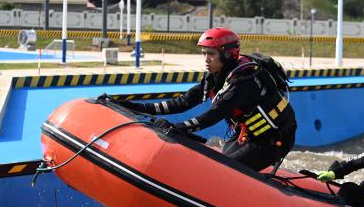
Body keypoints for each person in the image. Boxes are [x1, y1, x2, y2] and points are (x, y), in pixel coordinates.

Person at [116, 27, 297, 171]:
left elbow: (213, 116)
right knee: (220, 163)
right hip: (248, 135)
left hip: (272, 139)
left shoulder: (243, 82)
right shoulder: (216, 77)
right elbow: (183, 102)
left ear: (227, 54)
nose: (206, 59)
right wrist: (133, 107)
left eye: (211, 54)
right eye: (204, 53)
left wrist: (177, 127)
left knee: (225, 172)